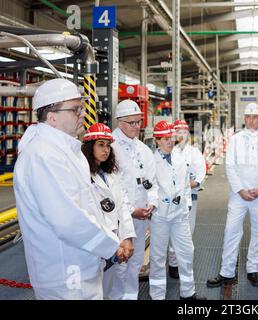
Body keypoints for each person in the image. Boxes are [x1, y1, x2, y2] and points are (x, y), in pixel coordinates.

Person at [14, 78, 125, 300]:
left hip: (80, 265)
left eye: (81, 108)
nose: (83, 113)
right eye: (75, 109)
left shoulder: (66, 151)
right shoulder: (42, 155)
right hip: (65, 272)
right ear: (52, 117)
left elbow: (87, 205)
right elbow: (67, 219)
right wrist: (111, 246)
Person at [207, 102, 258, 288]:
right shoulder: (236, 140)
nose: (251, 120)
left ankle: (253, 270)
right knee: (231, 231)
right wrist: (240, 190)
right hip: (238, 195)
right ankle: (226, 272)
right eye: (248, 116)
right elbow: (229, 166)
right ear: (244, 118)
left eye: (255, 117)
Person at [149, 120, 205, 300]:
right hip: (161, 217)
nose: (170, 141)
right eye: (166, 138)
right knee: (158, 258)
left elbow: (185, 186)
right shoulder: (152, 161)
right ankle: (157, 296)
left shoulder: (180, 158)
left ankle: (188, 294)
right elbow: (150, 188)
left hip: (180, 216)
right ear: (157, 140)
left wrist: (187, 204)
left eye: (172, 138)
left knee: (187, 253)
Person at [81, 123, 136, 299]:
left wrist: (126, 238)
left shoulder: (111, 175)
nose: (105, 150)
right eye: (100, 145)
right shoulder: (82, 177)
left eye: (108, 145)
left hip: (117, 243)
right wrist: (113, 244)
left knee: (114, 287)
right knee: (96, 291)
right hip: (99, 245)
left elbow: (123, 207)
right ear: (90, 147)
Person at [111, 99, 159, 300]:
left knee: (136, 260)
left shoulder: (144, 149)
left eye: (139, 122)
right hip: (120, 218)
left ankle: (131, 296)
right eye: (132, 122)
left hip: (141, 216)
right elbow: (112, 186)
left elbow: (152, 181)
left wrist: (152, 204)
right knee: (120, 261)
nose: (137, 126)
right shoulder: (110, 148)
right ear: (119, 122)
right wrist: (131, 210)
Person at [167, 119, 206, 279]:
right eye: (178, 132)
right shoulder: (168, 151)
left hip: (190, 197)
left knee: (188, 230)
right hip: (171, 200)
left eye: (184, 132)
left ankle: (185, 262)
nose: (181, 135)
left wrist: (193, 183)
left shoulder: (194, 152)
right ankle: (173, 264)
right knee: (172, 231)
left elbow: (200, 172)